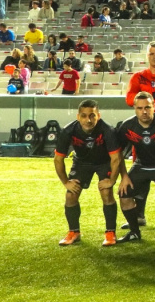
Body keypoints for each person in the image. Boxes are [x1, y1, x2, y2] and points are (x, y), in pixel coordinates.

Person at [54, 100, 122, 247]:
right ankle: (74, 232)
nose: (88, 120)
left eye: (92, 116)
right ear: (78, 117)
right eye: (84, 116)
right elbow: (58, 159)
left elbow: (116, 158)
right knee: (70, 195)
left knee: (106, 192)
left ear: (98, 115)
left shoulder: (107, 130)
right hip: (81, 163)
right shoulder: (68, 131)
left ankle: (110, 232)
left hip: (104, 162)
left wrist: (111, 180)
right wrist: (66, 182)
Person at [114, 92, 155, 244]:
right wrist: (124, 176)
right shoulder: (127, 126)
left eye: (148, 107)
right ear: (134, 108)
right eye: (140, 108)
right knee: (124, 195)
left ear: (154, 107)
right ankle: (134, 231)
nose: (144, 111)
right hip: (141, 165)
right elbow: (117, 154)